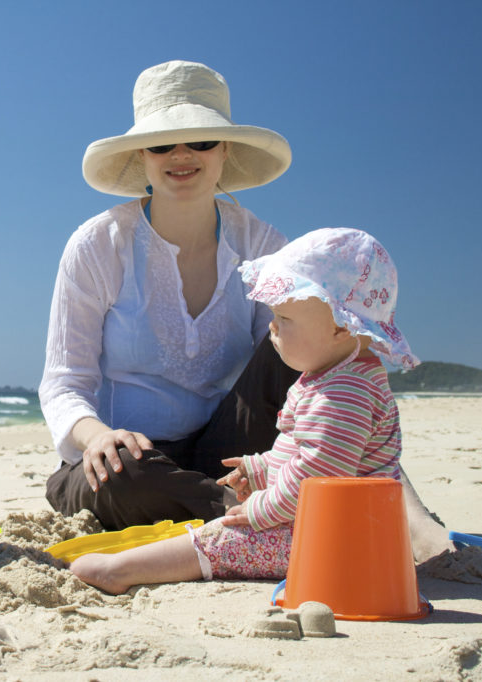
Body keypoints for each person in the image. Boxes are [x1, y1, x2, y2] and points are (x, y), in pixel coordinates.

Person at [70, 228, 417, 593]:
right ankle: (132, 564)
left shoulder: (344, 393)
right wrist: (262, 466)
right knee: (225, 528)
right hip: (340, 528)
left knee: (224, 538)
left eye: (285, 318)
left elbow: (319, 477)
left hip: (340, 541)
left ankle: (121, 571)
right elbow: (305, 453)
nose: (272, 326)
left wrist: (260, 511)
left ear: (340, 328)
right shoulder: (338, 377)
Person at [41, 59, 300, 531]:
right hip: (131, 461)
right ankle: (257, 514)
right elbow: (63, 385)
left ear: (225, 151)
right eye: (162, 144)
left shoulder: (262, 245)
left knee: (307, 337)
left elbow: (305, 368)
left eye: (200, 140)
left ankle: (384, 505)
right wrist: (98, 436)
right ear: (142, 156)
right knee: (124, 475)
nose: (182, 154)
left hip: (230, 452)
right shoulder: (99, 245)